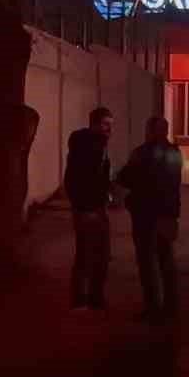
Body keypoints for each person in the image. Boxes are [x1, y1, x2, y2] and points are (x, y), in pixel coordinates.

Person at [116, 116, 183, 322]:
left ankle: (153, 308)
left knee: (146, 261)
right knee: (166, 260)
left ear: (150, 131)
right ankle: (171, 306)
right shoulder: (175, 153)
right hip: (168, 214)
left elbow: (126, 178)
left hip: (145, 214)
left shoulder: (142, 153)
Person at [65, 107, 113, 310]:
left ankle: (91, 297)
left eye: (110, 125)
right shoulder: (90, 146)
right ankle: (84, 298)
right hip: (88, 207)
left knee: (97, 253)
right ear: (94, 124)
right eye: (105, 124)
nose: (109, 129)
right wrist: (87, 203)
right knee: (89, 253)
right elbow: (83, 178)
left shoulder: (95, 144)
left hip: (94, 205)